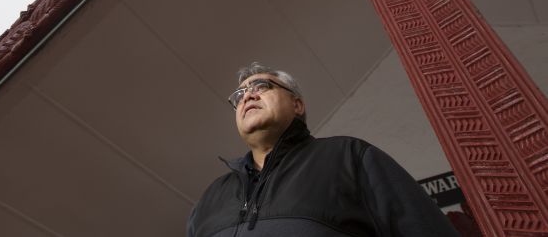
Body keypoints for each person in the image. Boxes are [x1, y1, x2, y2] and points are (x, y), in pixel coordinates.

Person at [187, 62, 459, 237]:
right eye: (239, 95)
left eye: (262, 86)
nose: (248, 95)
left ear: (297, 105)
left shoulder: (349, 156)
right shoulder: (210, 198)